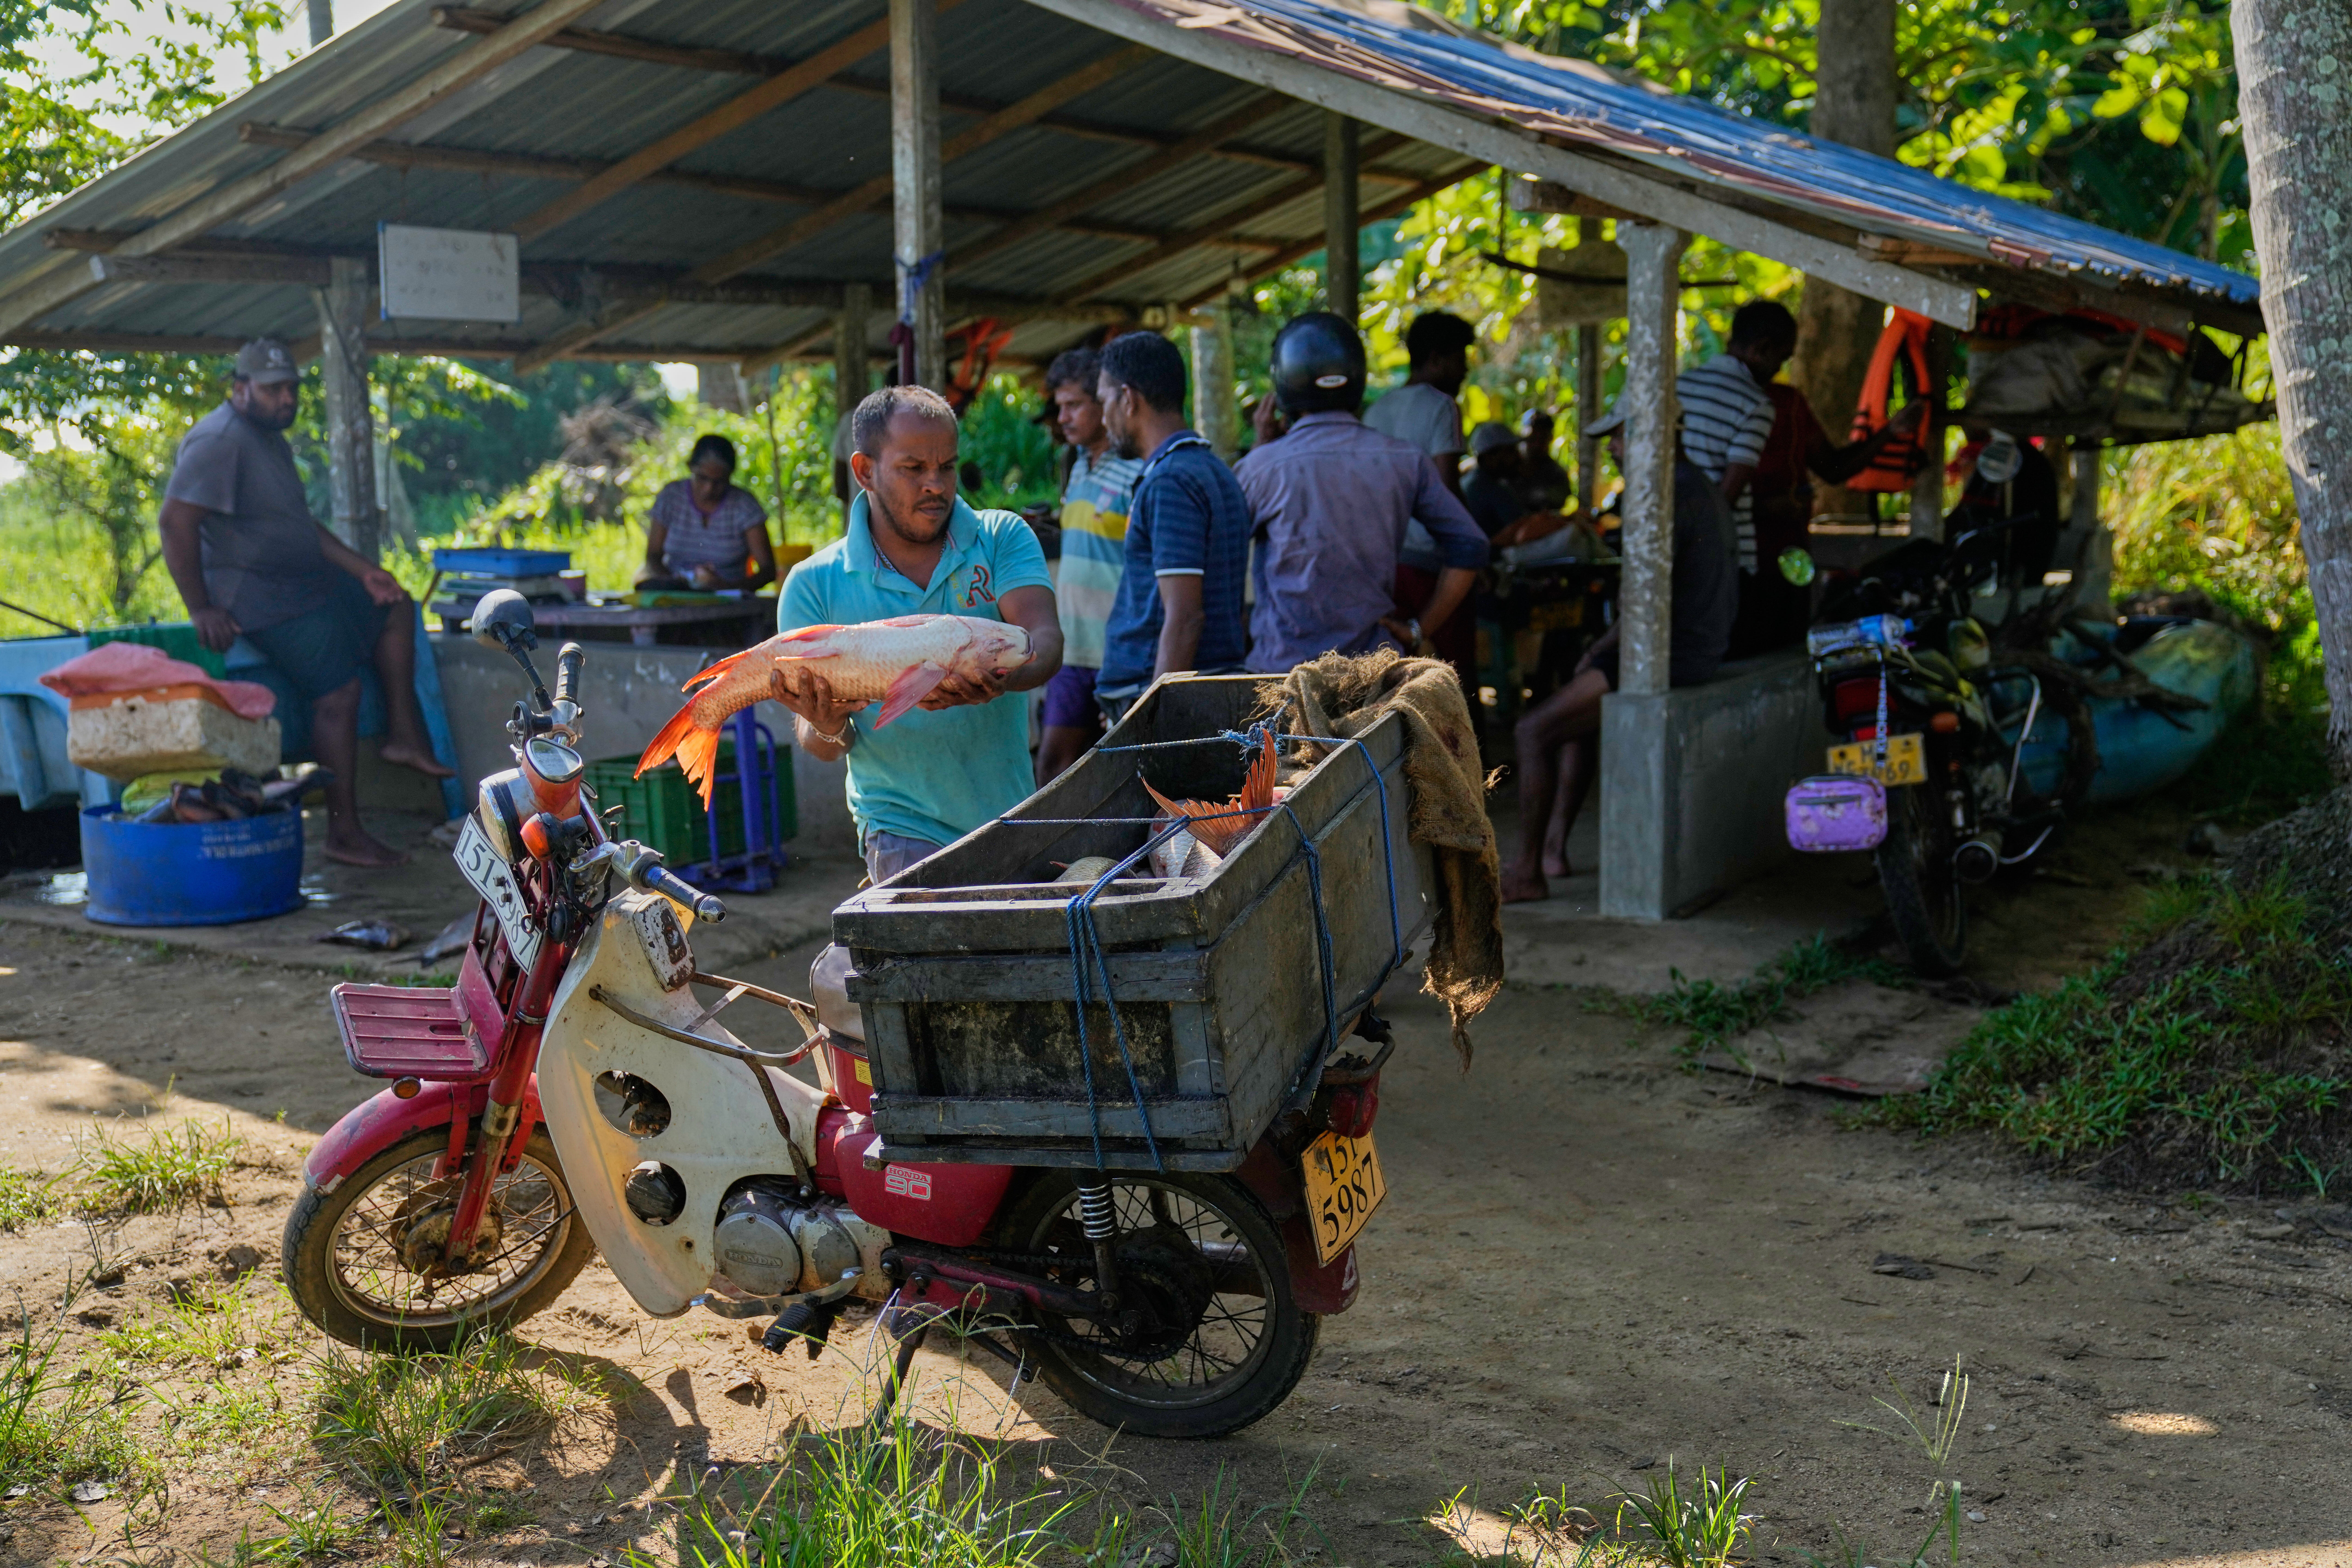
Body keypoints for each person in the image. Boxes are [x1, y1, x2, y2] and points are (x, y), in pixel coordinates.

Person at [157, 337, 451, 870]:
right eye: (273, 390)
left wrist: (364, 570)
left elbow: (299, 527)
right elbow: (176, 522)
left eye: (292, 388)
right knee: (338, 691)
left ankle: (404, 737)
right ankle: (345, 833)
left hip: (303, 582)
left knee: (396, 603)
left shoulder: (268, 437)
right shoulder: (219, 440)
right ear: (240, 388)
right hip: (257, 597)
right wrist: (200, 607)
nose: (286, 399)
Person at [769, 385, 1063, 886]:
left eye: (947, 467)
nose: (937, 485)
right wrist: (825, 724)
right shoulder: (814, 584)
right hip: (899, 826)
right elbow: (816, 741)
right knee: (933, 960)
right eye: (914, 469)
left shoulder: (1000, 538)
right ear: (865, 471)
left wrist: (1001, 679)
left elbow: (1046, 642)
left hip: (1010, 816)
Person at [1500, 408, 1738, 904]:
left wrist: (1599, 651)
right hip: (1691, 644)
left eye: (1620, 438)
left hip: (1672, 652)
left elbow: (1645, 604)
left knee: (1531, 731)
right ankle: (1552, 852)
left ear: (1651, 436)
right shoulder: (1698, 485)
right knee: (1573, 726)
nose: (1612, 449)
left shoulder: (1663, 494)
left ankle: (1526, 872)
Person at [1235, 313, 1489, 674]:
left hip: (1282, 676)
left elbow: (1215, 558)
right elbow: (1471, 546)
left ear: (1284, 384)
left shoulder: (1261, 467)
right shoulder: (1405, 460)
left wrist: (1263, 449)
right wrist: (1420, 630)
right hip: (1372, 677)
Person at [1092, 332, 1252, 718]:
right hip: (1206, 690)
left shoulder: (1170, 482)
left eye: (1104, 401)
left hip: (1168, 697)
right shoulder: (1214, 470)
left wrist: (1152, 719)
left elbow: (1185, 617)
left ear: (1128, 399)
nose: (1103, 418)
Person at [1733, 386, 1927, 655]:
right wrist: (1763, 507)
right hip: (1740, 557)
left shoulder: (1790, 403)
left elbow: (1833, 467)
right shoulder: (1717, 397)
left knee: (1787, 647)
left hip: (1790, 557)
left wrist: (1890, 432)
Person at [1036, 344, 1142, 782]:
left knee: (1120, 775)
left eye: (1074, 405)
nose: (1063, 418)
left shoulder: (1137, 471)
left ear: (1107, 403)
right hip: (1070, 649)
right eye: (1060, 407)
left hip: (1118, 653)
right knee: (1052, 771)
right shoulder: (1077, 467)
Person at [1362, 311, 1480, 693]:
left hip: (1388, 564)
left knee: (1397, 681)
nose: (1464, 371)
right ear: (1436, 358)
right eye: (1460, 359)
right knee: (1449, 678)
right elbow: (1447, 489)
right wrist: (1475, 546)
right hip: (1434, 569)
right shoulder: (1441, 406)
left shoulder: (1377, 410)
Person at [639, 434, 777, 591]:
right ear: (690, 467)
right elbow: (653, 556)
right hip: (676, 597)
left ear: (730, 475)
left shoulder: (744, 507)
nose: (709, 489)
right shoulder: (671, 499)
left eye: (719, 481)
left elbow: (768, 571)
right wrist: (673, 583)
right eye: (702, 478)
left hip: (729, 603)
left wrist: (728, 588)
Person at [1518, 409, 1573, 514]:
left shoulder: (1557, 475)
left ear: (1550, 439)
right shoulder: (1507, 467)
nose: (1537, 445)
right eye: (1533, 438)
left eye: (1542, 439)